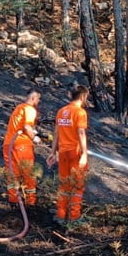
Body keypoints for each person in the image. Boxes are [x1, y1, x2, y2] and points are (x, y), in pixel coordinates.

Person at [47, 85, 89, 224]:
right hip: (75, 152)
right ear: (83, 97)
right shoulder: (80, 112)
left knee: (64, 185)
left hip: (63, 152)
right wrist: (84, 154)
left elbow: (56, 133)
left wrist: (53, 152)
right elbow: (81, 132)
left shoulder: (61, 111)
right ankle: (74, 217)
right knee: (77, 185)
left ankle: (61, 214)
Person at [3, 91, 42, 205]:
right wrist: (34, 138)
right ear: (33, 98)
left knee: (12, 172)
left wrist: (34, 131)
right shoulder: (30, 109)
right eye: (38, 99)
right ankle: (30, 201)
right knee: (28, 172)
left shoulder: (19, 108)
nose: (38, 102)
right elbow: (26, 126)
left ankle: (13, 200)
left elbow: (21, 125)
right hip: (22, 144)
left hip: (8, 144)